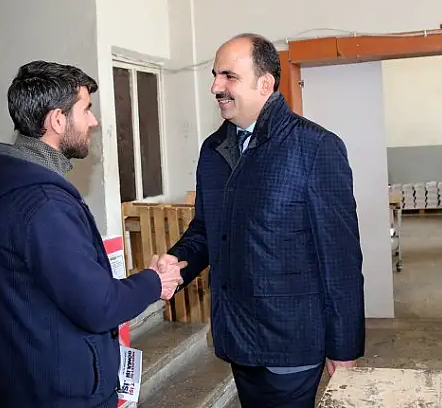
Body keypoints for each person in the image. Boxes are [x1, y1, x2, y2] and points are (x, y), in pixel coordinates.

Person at [151, 33, 366, 407]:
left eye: (229, 77)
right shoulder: (214, 150)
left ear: (265, 84)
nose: (216, 87)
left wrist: (344, 346)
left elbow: (340, 258)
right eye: (215, 76)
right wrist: (177, 264)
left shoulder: (314, 147)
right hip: (236, 337)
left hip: (291, 341)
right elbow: (206, 229)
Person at [0, 60, 184, 408]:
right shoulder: (43, 204)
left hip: (25, 385)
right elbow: (99, 305)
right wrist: (155, 282)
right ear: (57, 120)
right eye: (86, 109)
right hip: (58, 395)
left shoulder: (6, 186)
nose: (94, 121)